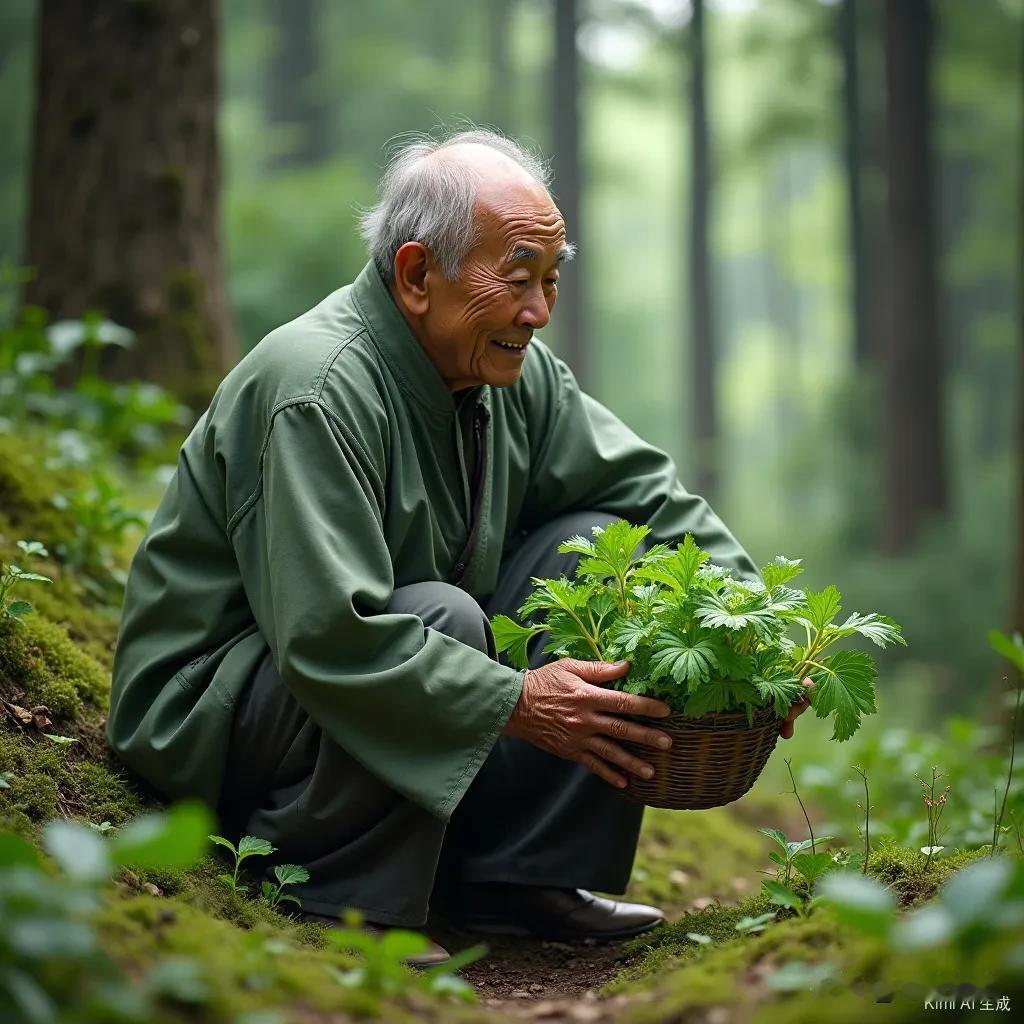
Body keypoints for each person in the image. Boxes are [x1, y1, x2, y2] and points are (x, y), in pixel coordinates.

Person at [107, 127, 811, 968]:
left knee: (598, 551)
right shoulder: (316, 389)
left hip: (378, 683)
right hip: (215, 715)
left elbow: (648, 503)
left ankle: (518, 879)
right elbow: (332, 631)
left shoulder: (514, 374)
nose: (538, 312)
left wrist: (759, 630)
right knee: (442, 615)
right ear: (415, 276)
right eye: (516, 281)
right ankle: (339, 898)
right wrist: (518, 700)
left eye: (551, 282)